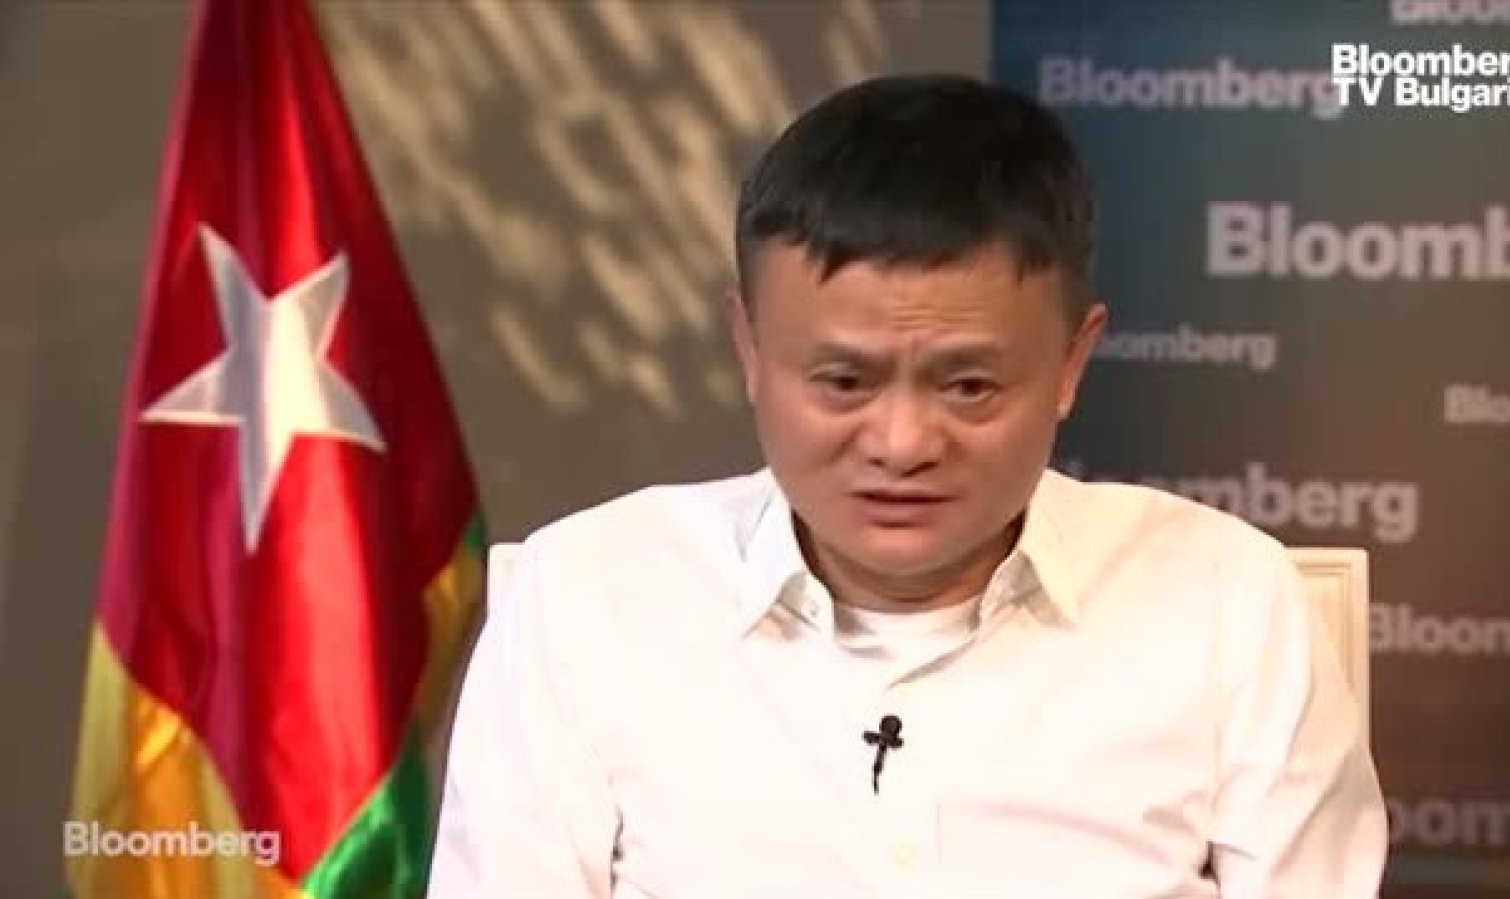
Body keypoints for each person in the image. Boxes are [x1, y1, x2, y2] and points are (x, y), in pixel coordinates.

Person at [426, 73, 1387, 898]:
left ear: (1071, 362)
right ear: (750, 349)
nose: (902, 444)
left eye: (969, 386)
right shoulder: (585, 599)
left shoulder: (1227, 602)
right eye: (843, 382)